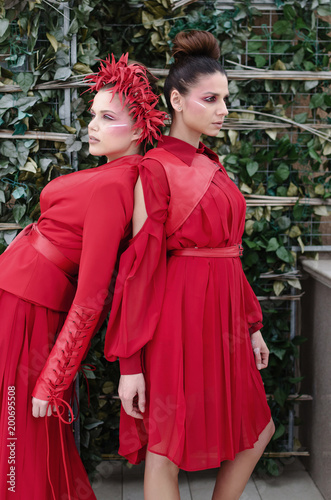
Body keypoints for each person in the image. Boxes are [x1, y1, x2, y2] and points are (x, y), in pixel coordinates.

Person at [104, 31, 275, 500]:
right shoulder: (156, 168)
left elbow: (229, 253)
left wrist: (251, 324)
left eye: (225, 99)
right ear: (176, 100)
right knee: (166, 447)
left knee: (258, 429)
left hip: (223, 320)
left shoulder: (213, 164)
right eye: (211, 98)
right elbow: (138, 270)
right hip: (177, 320)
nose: (223, 109)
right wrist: (131, 365)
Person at [0, 53, 166, 500]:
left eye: (106, 117)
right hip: (17, 298)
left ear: (138, 128)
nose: (92, 124)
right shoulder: (110, 174)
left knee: (14, 431)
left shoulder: (117, 185)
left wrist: (53, 379)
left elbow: (93, 293)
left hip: (27, 312)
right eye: (93, 114)